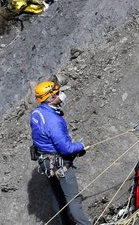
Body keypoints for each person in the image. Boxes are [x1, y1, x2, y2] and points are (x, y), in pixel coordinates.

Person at [30, 80, 92, 225]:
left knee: (58, 196)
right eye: (58, 93)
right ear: (50, 98)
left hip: (46, 162)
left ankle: (65, 223)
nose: (61, 95)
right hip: (60, 163)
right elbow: (66, 148)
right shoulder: (54, 121)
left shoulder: (36, 114)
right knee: (73, 199)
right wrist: (81, 146)